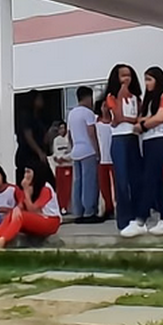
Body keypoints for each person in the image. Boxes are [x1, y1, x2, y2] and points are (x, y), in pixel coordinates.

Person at [135, 66, 163, 236]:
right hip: (148, 141)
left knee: (149, 177)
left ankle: (140, 219)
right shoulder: (148, 101)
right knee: (157, 180)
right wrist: (150, 120)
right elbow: (150, 118)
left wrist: (144, 124)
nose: (147, 83)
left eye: (150, 79)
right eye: (145, 80)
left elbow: (161, 117)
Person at [105, 64, 145, 237]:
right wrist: (122, 94)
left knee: (136, 179)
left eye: (129, 75)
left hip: (133, 139)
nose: (126, 79)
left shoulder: (137, 98)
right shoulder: (111, 97)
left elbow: (139, 118)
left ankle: (138, 217)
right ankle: (124, 220)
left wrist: (130, 120)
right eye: (123, 76)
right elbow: (118, 117)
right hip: (119, 139)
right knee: (121, 181)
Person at [0, 166, 62, 250]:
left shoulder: (45, 189)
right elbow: (23, 206)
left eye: (28, 172)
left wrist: (26, 190)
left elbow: (32, 210)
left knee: (20, 215)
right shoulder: (32, 187)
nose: (25, 175)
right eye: (25, 172)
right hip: (38, 218)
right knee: (13, 213)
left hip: (50, 221)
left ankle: (1, 242)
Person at [67, 86, 100, 223]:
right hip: (88, 150)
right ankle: (89, 211)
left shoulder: (71, 113)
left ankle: (78, 211)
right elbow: (91, 133)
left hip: (76, 150)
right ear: (88, 97)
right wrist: (97, 151)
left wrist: (72, 147)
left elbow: (69, 135)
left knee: (78, 182)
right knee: (89, 182)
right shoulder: (88, 113)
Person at [14, 90, 52, 190]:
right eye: (39, 98)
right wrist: (39, 152)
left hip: (37, 152)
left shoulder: (39, 116)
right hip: (28, 153)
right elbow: (28, 136)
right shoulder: (26, 116)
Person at [95, 99, 115, 220]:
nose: (106, 108)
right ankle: (108, 208)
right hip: (102, 159)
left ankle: (117, 207)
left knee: (116, 185)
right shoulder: (97, 124)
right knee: (104, 186)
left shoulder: (114, 123)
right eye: (104, 106)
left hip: (114, 159)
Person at [49, 121, 72, 214]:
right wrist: (56, 158)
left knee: (68, 188)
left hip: (68, 166)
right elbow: (55, 152)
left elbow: (72, 152)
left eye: (63, 128)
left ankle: (68, 206)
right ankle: (61, 206)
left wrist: (65, 159)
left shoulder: (69, 139)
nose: (61, 130)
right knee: (60, 188)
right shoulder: (56, 140)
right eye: (60, 128)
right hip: (59, 167)